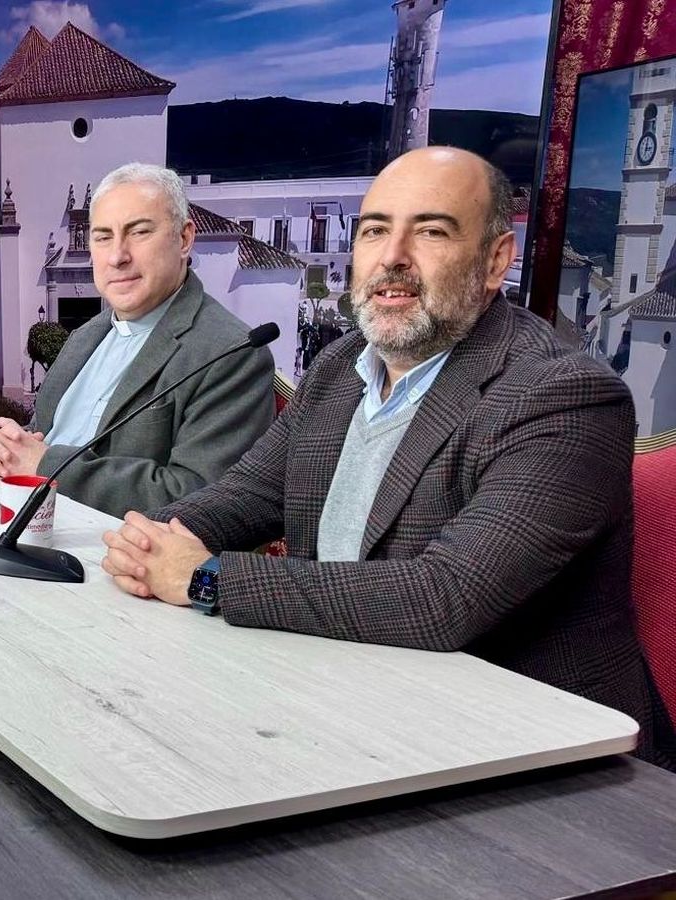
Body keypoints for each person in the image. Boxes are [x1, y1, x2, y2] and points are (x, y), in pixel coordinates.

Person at [100, 147, 675, 767]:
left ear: (495, 260)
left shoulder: (563, 396)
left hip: (534, 756)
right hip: (344, 701)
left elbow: (445, 597)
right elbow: (246, 496)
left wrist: (207, 578)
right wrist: (149, 542)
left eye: (431, 232)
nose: (393, 256)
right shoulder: (341, 368)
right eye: (375, 230)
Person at [0, 163, 274, 518]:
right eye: (103, 237)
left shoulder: (232, 353)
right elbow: (45, 436)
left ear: (184, 239)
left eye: (139, 232)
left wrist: (45, 465)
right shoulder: (85, 337)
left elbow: (200, 501)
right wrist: (8, 449)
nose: (117, 256)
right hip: (24, 523)